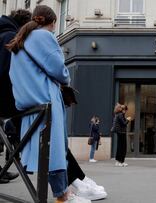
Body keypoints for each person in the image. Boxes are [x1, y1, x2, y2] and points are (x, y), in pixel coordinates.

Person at [6, 5, 91, 202]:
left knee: (44, 150)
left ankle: (59, 194)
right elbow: (59, 69)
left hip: (28, 102)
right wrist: (66, 80)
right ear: (52, 23)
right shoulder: (43, 37)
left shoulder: (19, 40)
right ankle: (63, 196)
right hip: (46, 99)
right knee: (55, 150)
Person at [0, 9, 31, 185]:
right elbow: (5, 71)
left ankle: (2, 172)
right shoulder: (10, 36)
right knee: (31, 113)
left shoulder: (3, 32)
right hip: (4, 96)